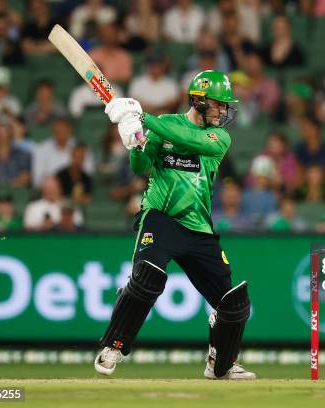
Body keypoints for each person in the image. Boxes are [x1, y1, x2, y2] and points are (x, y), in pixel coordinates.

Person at [94, 70, 255, 380]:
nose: (223, 112)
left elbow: (190, 140)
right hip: (160, 218)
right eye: (219, 105)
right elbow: (140, 166)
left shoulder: (218, 137)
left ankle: (220, 363)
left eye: (225, 106)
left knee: (233, 304)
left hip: (199, 228)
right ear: (199, 100)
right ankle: (113, 346)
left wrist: (144, 118)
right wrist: (135, 140)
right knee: (148, 279)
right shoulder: (164, 125)